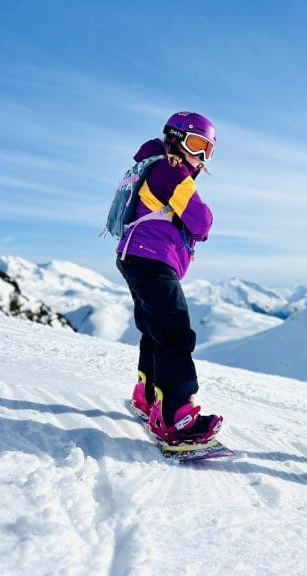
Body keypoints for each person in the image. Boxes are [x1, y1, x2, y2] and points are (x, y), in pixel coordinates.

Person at [118, 111, 223, 447]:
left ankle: (147, 396)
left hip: (137, 256)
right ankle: (177, 416)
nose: (201, 156)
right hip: (151, 258)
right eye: (196, 144)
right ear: (175, 137)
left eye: (208, 149)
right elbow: (201, 222)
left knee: (155, 331)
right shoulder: (171, 170)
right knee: (175, 334)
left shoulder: (155, 165)